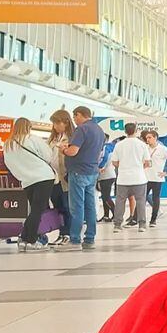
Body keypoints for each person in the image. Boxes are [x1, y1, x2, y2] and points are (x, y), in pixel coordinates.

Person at [3, 117, 57, 252]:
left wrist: (22, 174)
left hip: (27, 181)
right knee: (37, 210)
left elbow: (9, 164)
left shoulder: (8, 144)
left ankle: (24, 238)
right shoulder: (32, 139)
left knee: (34, 209)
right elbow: (48, 155)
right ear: (28, 127)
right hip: (43, 178)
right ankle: (31, 240)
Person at [61, 106, 106, 250]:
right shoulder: (99, 130)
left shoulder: (81, 129)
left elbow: (73, 151)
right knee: (90, 206)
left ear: (79, 115)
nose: (74, 120)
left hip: (78, 171)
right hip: (92, 172)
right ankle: (90, 238)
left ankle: (74, 240)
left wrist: (63, 150)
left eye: (75, 117)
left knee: (77, 207)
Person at [110, 125, 148, 234]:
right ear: (136, 131)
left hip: (123, 179)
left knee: (120, 202)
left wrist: (123, 166)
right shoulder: (142, 145)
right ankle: (142, 225)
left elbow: (115, 162)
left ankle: (117, 225)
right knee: (140, 202)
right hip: (139, 178)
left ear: (125, 131)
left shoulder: (119, 145)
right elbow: (147, 162)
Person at [47, 109, 74, 245]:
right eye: (54, 124)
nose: (55, 126)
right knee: (58, 207)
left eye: (58, 123)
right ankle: (62, 233)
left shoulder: (72, 137)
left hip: (65, 178)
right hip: (53, 178)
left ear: (65, 122)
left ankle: (69, 233)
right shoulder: (52, 139)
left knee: (67, 206)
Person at [142, 130, 167, 227]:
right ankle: (139, 219)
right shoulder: (145, 148)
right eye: (147, 138)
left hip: (157, 178)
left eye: (150, 137)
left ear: (155, 137)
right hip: (145, 178)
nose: (147, 139)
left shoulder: (162, 149)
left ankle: (153, 220)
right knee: (142, 198)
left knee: (156, 199)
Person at [97, 138, 117, 222]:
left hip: (107, 176)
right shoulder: (104, 149)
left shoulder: (106, 150)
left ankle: (116, 214)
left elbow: (104, 161)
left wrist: (99, 167)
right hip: (104, 176)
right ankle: (106, 215)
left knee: (106, 196)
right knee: (104, 196)